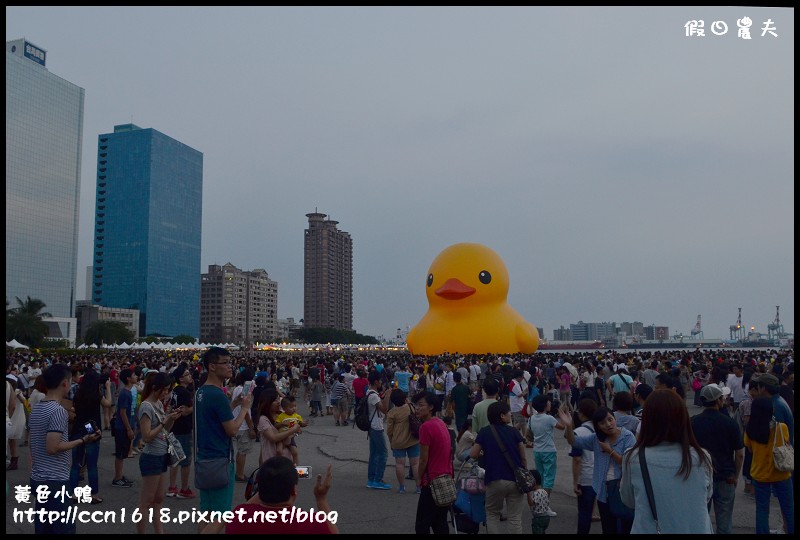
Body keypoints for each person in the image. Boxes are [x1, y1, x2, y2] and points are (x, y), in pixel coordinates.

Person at [619, 389, 714, 533]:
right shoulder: (701, 457)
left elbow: (629, 501)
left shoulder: (633, 458)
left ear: (647, 419)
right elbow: (705, 497)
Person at [29, 363, 101, 533]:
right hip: (54, 480)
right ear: (64, 383)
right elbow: (53, 447)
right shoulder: (58, 410)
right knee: (63, 528)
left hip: (38, 478)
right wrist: (82, 440)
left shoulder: (37, 408)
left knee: (44, 528)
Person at [194, 346, 252, 532]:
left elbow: (213, 417)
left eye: (230, 363)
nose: (230, 367)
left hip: (203, 457)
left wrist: (233, 404)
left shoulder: (201, 392)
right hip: (220, 458)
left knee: (207, 513)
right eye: (225, 363)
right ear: (212, 366)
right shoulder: (217, 395)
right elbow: (232, 430)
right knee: (221, 517)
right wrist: (244, 408)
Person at [558, 404, 637, 534]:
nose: (608, 424)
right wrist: (568, 426)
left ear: (614, 418)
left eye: (610, 419)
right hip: (603, 491)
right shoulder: (596, 438)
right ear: (598, 426)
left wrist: (610, 451)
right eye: (602, 423)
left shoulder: (627, 436)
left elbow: (629, 463)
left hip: (622, 490)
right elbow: (574, 441)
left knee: (625, 527)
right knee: (608, 527)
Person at [226, 456, 338, 534]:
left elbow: (245, 507)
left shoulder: (238, 517)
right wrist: (321, 499)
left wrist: (270, 481)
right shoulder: (311, 522)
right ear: (294, 490)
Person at [690, 383, 743, 534]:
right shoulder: (730, 423)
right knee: (724, 521)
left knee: (700, 519)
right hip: (726, 477)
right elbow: (739, 454)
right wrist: (736, 476)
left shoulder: (692, 422)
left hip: (699, 477)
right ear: (719, 400)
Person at [470, 400, 528, 534]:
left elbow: (473, 454)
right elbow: (523, 456)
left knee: (492, 514)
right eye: (508, 413)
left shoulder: (485, 432)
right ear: (502, 416)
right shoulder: (514, 431)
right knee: (514, 517)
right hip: (515, 479)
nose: (510, 415)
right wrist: (523, 471)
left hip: (493, 478)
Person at [136, 372, 182, 534]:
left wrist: (171, 419)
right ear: (155, 388)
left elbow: (165, 431)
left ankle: (159, 531)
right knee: (146, 501)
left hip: (161, 453)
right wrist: (164, 421)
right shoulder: (146, 406)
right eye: (164, 390)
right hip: (151, 456)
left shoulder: (159, 404)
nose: (166, 393)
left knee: (159, 498)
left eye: (168, 390)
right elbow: (147, 436)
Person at [743, 397, 794, 535]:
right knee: (788, 509)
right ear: (772, 410)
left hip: (760, 473)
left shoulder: (750, 430)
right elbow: (786, 443)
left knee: (762, 510)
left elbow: (749, 449)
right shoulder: (781, 427)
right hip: (781, 473)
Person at [69, 368, 112, 504]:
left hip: (78, 428)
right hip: (91, 428)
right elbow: (108, 403)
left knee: (75, 464)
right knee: (92, 465)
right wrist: (108, 388)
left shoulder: (78, 393)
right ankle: (93, 494)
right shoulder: (96, 394)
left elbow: (73, 409)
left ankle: (73, 494)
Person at [413, 390, 452, 534]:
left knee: (422, 524)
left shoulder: (426, 427)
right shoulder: (440, 423)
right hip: (445, 478)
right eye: (416, 405)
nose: (417, 408)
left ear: (431, 407)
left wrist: (418, 478)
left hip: (431, 481)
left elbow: (423, 459)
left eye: (421, 405)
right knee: (439, 522)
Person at [527, 394, 564, 501]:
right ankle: (544, 504)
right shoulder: (549, 418)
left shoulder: (531, 419)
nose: (550, 403)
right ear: (544, 405)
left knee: (541, 476)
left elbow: (528, 433)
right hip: (549, 450)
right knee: (549, 478)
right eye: (548, 402)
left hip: (537, 450)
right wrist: (562, 415)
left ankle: (538, 500)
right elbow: (562, 427)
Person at [570, 398, 599, 534]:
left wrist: (576, 482)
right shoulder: (602, 428)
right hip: (603, 476)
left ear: (581, 413)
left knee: (584, 514)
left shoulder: (579, 432)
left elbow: (577, 459)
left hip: (586, 478)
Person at [167, 364, 195, 499]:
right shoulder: (184, 392)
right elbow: (185, 411)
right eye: (187, 374)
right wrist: (192, 408)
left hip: (174, 427)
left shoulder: (175, 391)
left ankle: (172, 486)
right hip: (183, 429)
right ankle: (184, 488)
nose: (190, 376)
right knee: (185, 460)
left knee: (175, 459)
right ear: (181, 378)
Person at [386, 389, 420, 494]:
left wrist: (391, 441)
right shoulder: (410, 407)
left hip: (398, 441)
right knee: (415, 464)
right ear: (404, 398)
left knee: (399, 464)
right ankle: (418, 487)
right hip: (413, 439)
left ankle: (402, 487)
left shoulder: (392, 413)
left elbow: (389, 431)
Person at [364, 370, 394, 490]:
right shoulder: (374, 396)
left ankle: (371, 479)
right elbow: (384, 409)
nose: (381, 382)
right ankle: (377, 480)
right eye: (380, 380)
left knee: (374, 454)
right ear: (376, 382)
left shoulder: (369, 392)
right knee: (383, 454)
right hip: (376, 427)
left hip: (372, 427)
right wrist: (387, 395)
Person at [111, 368, 137, 487]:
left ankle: (120, 476)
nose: (136, 376)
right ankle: (117, 478)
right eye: (133, 375)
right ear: (128, 378)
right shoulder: (124, 393)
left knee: (123, 454)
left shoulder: (127, 392)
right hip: (122, 427)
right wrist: (129, 428)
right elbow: (122, 412)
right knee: (120, 454)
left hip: (124, 426)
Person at [258, 390, 300, 463]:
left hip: (287, 459)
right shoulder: (263, 419)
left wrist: (297, 430)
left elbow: (292, 427)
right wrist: (293, 430)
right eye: (275, 400)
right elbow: (273, 438)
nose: (278, 402)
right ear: (267, 403)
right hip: (272, 461)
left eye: (278, 399)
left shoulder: (281, 415)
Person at [231, 370, 257, 483]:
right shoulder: (244, 390)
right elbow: (245, 410)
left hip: (236, 422)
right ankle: (240, 474)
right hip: (243, 425)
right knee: (243, 451)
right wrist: (251, 426)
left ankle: (238, 472)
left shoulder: (237, 388)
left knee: (240, 450)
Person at [275, 395, 308, 465]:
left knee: (295, 452)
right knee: (279, 451)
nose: (294, 408)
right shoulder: (281, 416)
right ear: (284, 408)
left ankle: (296, 467)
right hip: (281, 437)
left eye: (295, 406)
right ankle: (280, 464)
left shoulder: (297, 416)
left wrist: (304, 424)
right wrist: (282, 424)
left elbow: (300, 424)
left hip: (291, 437)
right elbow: (276, 425)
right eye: (291, 407)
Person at [471, 377, 499, 441]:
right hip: (500, 441)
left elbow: (474, 430)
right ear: (498, 390)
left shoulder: (477, 406)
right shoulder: (503, 406)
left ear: (484, 390)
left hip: (484, 440)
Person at [527, 469, 553, 534]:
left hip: (538, 519)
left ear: (533, 482)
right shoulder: (544, 491)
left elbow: (531, 503)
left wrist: (528, 493)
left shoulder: (536, 493)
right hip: (546, 517)